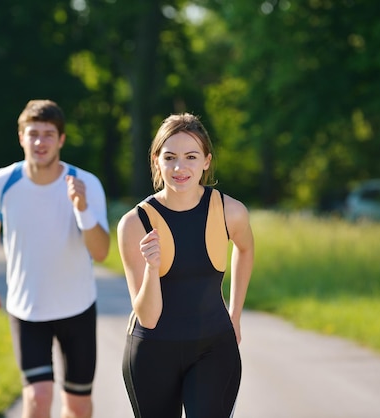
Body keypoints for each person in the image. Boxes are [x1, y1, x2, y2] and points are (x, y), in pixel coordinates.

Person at [0, 99, 110, 418]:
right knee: (37, 398)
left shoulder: (86, 183)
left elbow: (102, 252)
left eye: (49, 134)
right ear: (21, 137)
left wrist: (82, 207)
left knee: (77, 407)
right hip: (27, 309)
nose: (40, 142)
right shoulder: (2, 183)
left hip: (77, 307)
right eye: (33, 133)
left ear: (61, 139)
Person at [117, 113, 255, 418]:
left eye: (191, 157)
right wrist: (153, 268)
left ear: (206, 161)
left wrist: (235, 313)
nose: (180, 167)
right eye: (170, 157)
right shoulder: (134, 224)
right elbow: (149, 318)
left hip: (214, 348)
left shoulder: (230, 212)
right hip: (152, 351)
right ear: (156, 161)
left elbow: (245, 249)